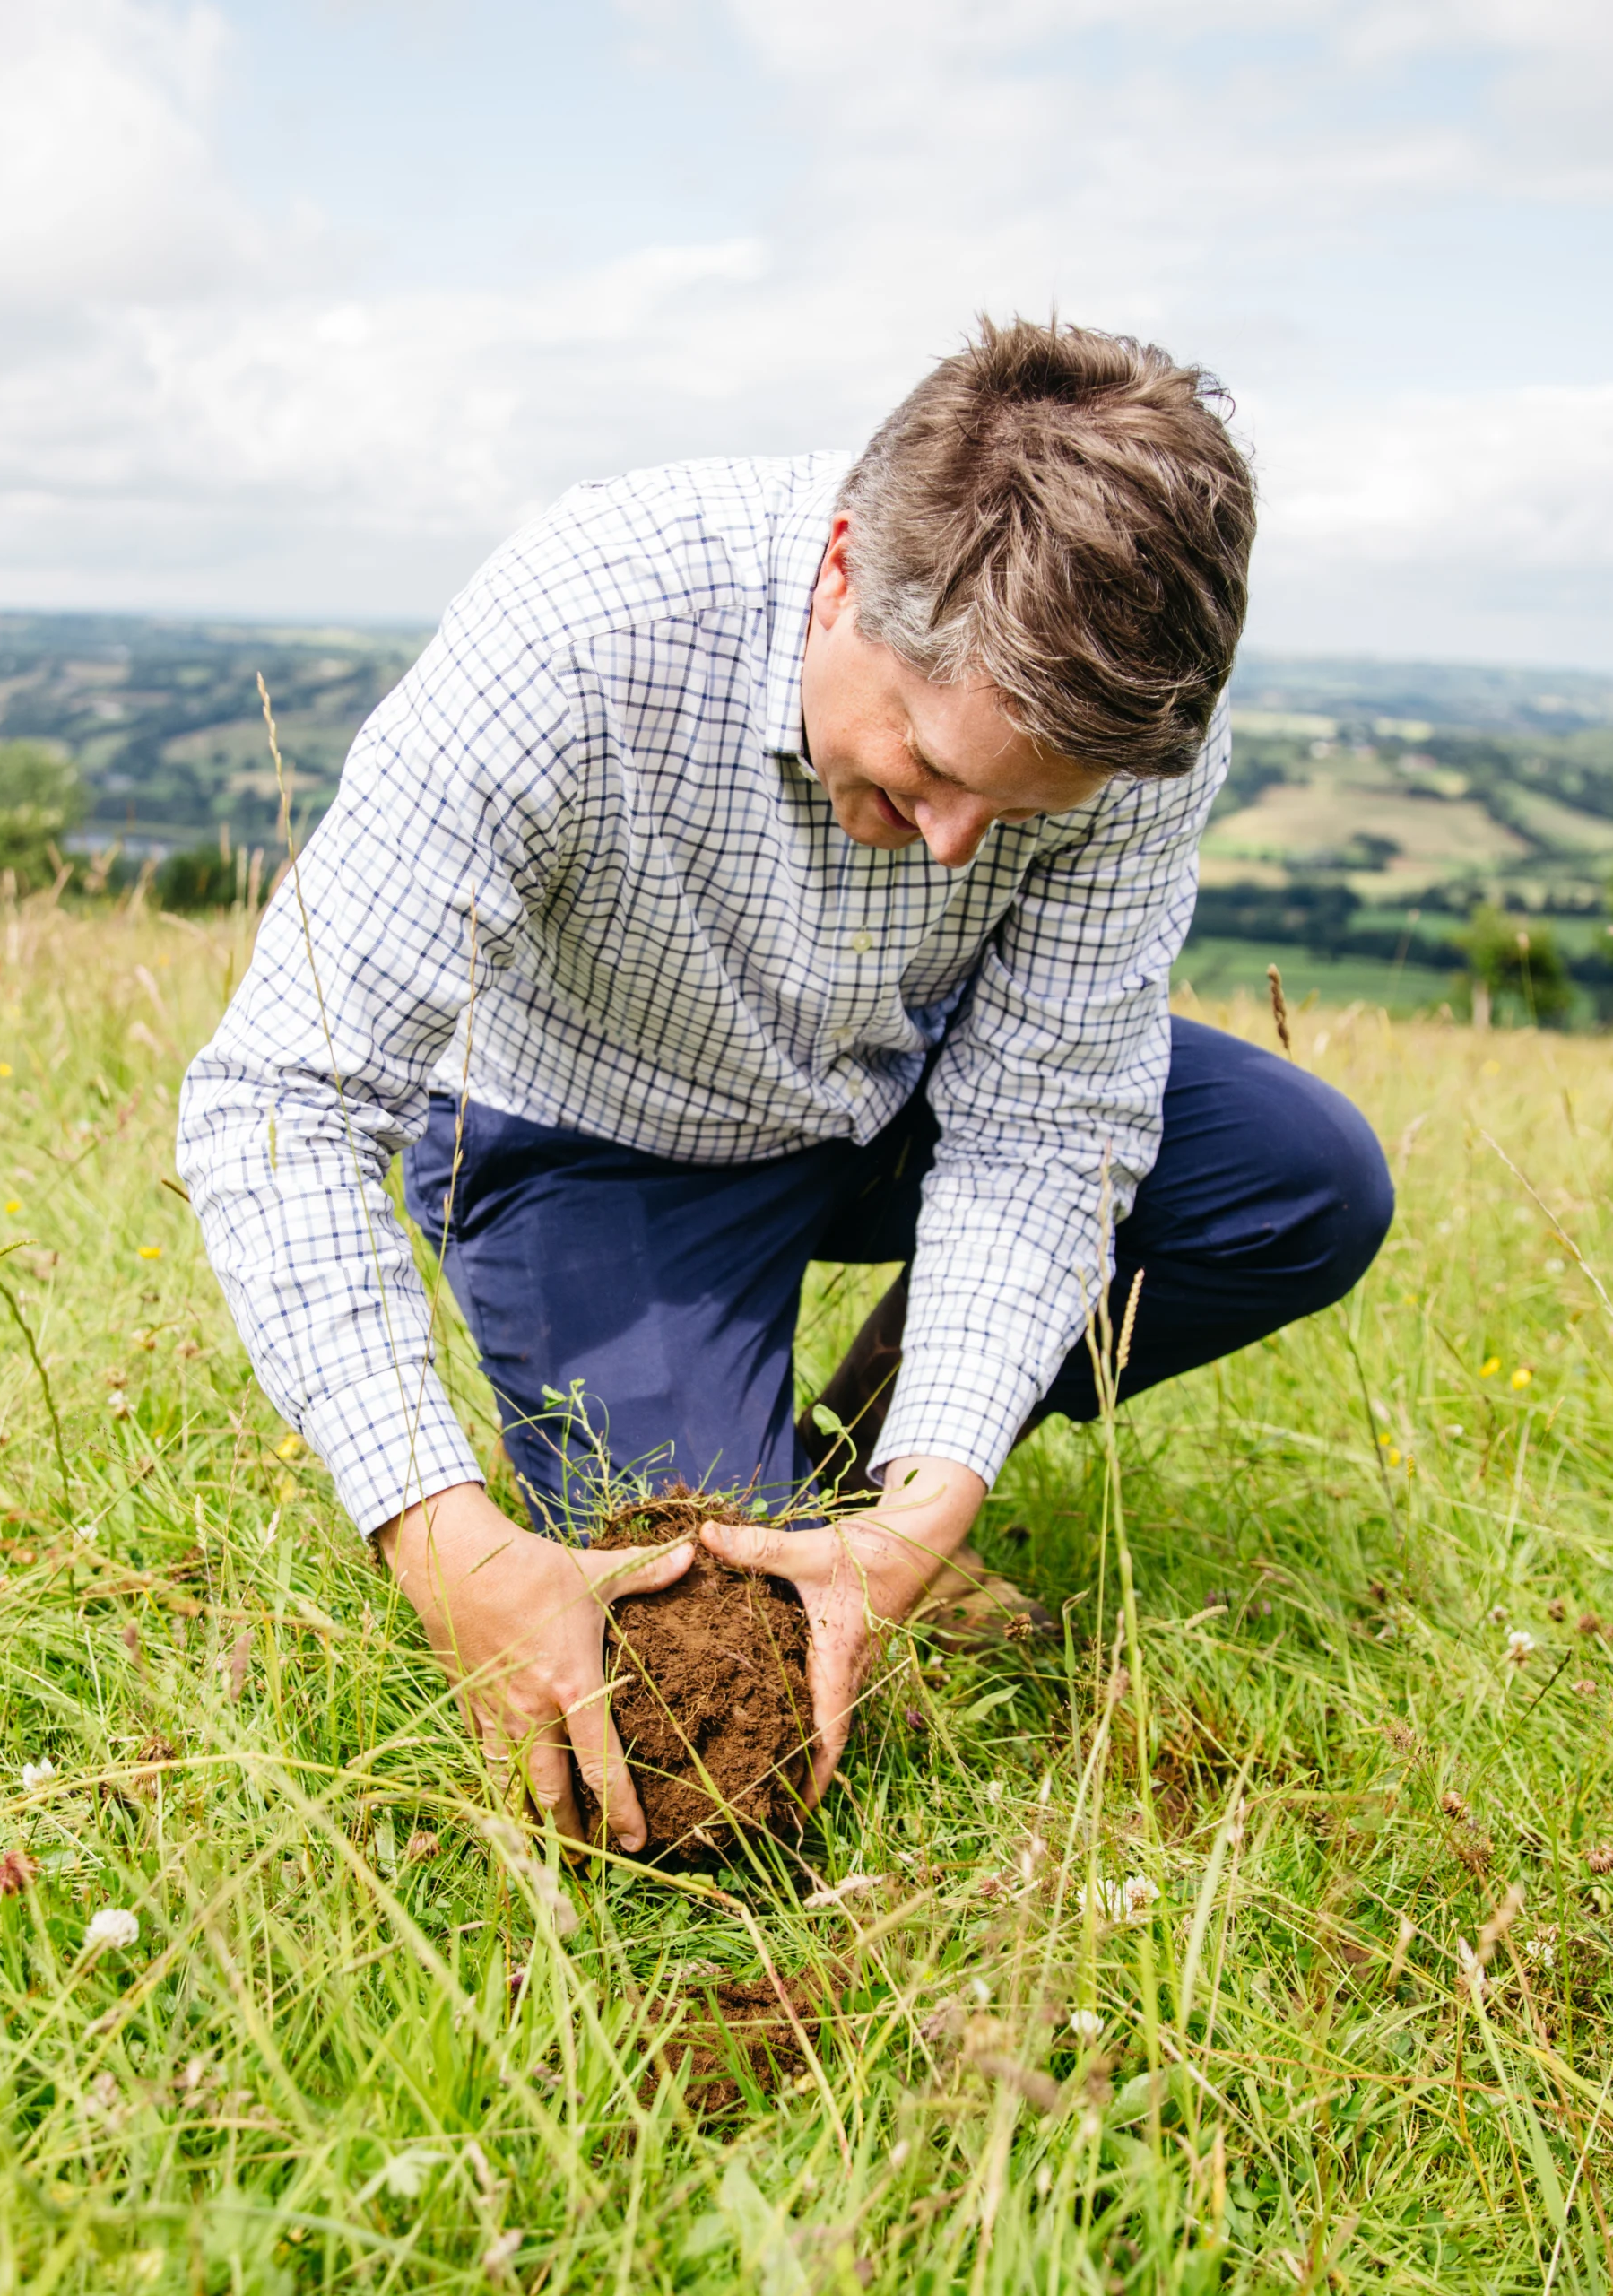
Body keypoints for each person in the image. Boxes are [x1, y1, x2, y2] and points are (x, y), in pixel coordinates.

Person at [180, 318, 1392, 1854]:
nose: (962, 844)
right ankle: (774, 1505)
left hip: (905, 1089)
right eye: (932, 769)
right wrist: (439, 1538)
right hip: (602, 1142)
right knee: (706, 1698)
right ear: (841, 576)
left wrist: (919, 1510)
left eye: (1021, 815)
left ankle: (857, 1480)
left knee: (1300, 1180)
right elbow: (281, 1094)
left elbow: (1049, 1122)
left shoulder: (1134, 722)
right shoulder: (580, 633)